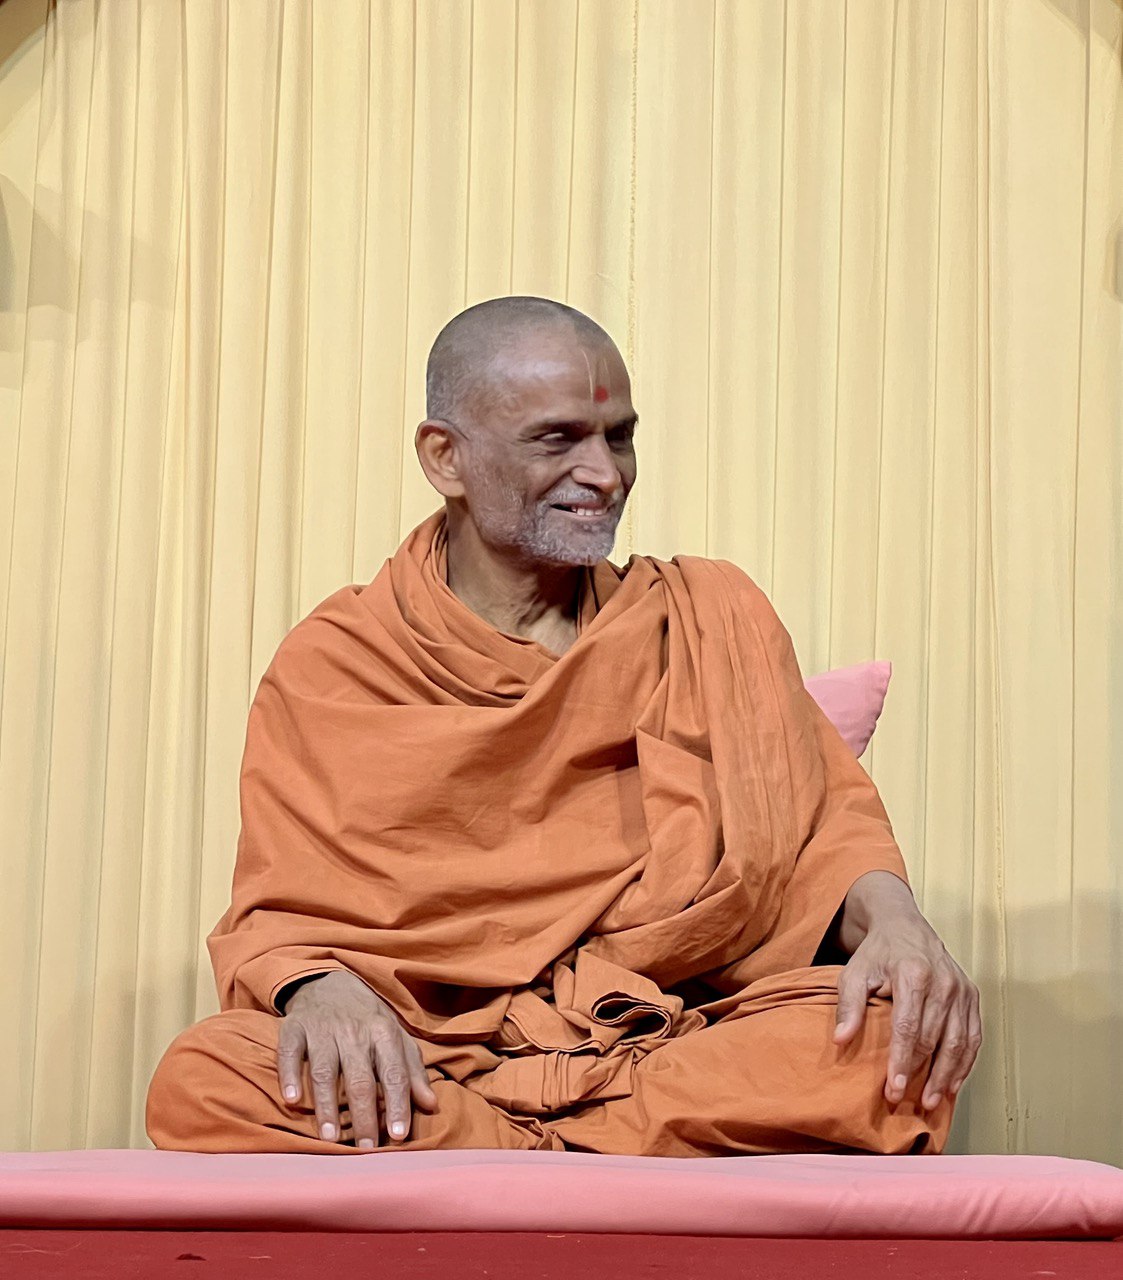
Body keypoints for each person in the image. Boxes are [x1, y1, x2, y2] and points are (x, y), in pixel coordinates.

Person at [146, 296, 981, 1156]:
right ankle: (598, 1157)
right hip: (432, 1053)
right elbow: (284, 909)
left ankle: (493, 1158)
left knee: (886, 1036)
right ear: (444, 457)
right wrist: (317, 988)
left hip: (668, 1038)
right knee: (208, 1075)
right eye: (559, 440)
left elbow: (823, 831)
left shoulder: (702, 619)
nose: (605, 475)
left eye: (618, 438)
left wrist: (898, 925)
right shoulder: (341, 657)